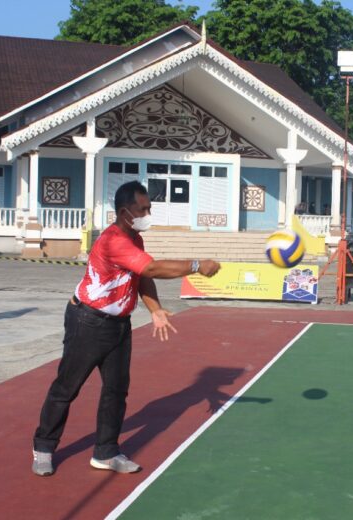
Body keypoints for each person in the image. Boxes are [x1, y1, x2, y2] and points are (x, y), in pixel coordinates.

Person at [31, 181, 221, 476]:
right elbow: (151, 268)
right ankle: (44, 448)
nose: (148, 214)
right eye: (142, 209)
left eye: (149, 208)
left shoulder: (135, 239)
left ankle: (106, 452)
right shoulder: (113, 240)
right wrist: (196, 265)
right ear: (124, 212)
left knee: (116, 391)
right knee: (67, 387)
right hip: (87, 321)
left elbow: (142, 277)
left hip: (118, 325)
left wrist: (155, 310)